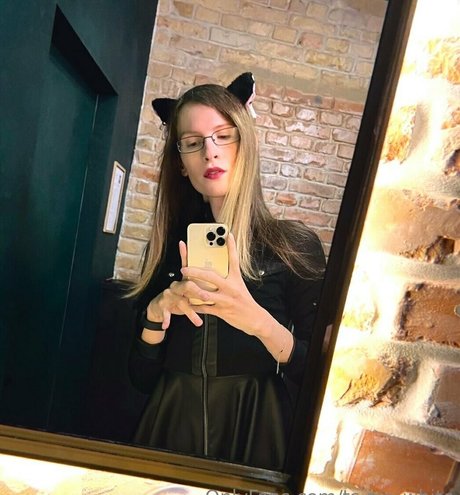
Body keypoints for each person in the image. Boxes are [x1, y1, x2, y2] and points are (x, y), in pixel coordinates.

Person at [127, 72, 326, 471]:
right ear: (182, 164)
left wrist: (258, 322)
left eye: (223, 136)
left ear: (245, 145)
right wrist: (155, 312)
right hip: (170, 423)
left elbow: (316, 376)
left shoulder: (293, 246)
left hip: (257, 427)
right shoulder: (168, 250)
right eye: (193, 142)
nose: (210, 152)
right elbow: (141, 379)